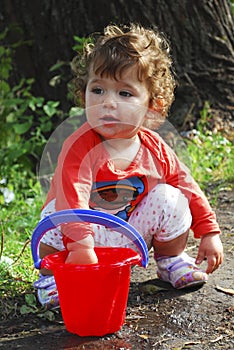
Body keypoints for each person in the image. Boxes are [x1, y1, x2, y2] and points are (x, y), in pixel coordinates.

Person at [33, 23, 223, 308]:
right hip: (82, 235)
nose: (107, 103)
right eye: (98, 90)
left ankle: (170, 260)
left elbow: (187, 184)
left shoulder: (155, 148)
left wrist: (208, 231)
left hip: (129, 234)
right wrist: (81, 244)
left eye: (124, 94)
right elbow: (73, 194)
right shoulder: (81, 145)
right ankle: (52, 277)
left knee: (172, 198)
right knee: (54, 213)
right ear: (84, 92)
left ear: (152, 107)